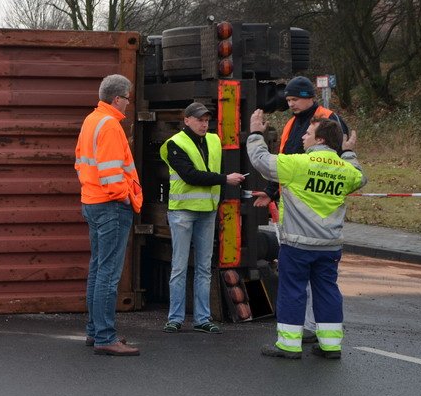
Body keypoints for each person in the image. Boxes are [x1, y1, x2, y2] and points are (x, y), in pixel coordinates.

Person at [246, 111, 365, 359]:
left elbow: (260, 161)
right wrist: (349, 152)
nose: (302, 137)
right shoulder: (345, 170)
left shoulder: (297, 164)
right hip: (330, 246)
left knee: (292, 291)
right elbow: (360, 177)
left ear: (320, 140)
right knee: (327, 291)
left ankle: (289, 345)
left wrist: (256, 133)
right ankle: (331, 345)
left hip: (298, 245)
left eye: (308, 133)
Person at [254, 76, 349, 343]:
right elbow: (288, 165)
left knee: (294, 282)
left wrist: (255, 135)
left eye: (294, 99)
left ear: (309, 96)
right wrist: (272, 191)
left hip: (305, 216)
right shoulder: (294, 124)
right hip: (321, 223)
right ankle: (327, 339)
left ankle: (293, 338)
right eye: (288, 100)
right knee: (324, 284)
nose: (291, 104)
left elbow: (277, 164)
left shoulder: (327, 120)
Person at [159, 102, 246, 334]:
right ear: (186, 120)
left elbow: (215, 170)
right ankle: (175, 318)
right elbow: (190, 175)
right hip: (183, 211)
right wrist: (225, 179)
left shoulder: (214, 141)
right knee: (179, 266)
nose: (204, 123)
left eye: (207, 120)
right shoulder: (174, 144)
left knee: (204, 267)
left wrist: (223, 186)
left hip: (208, 210)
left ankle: (202, 318)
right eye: (199, 119)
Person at [75, 74, 143, 356]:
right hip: (111, 206)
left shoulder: (92, 120)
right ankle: (105, 336)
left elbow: (81, 162)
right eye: (127, 98)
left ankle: (95, 332)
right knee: (108, 274)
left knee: (98, 269)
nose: (128, 103)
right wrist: (124, 197)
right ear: (117, 98)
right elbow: (112, 173)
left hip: (92, 202)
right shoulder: (111, 126)